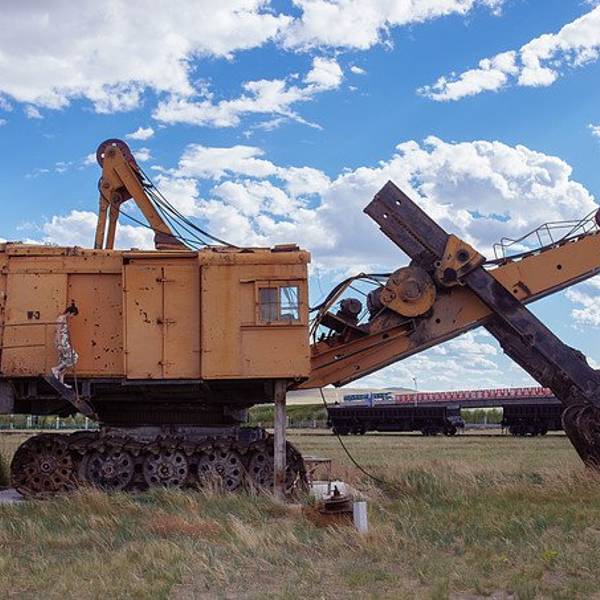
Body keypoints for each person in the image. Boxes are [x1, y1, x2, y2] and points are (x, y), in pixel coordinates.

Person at [51, 303, 79, 387]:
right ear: (69, 312)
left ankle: (61, 382)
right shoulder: (61, 318)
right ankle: (56, 369)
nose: (72, 317)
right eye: (73, 315)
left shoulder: (64, 319)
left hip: (64, 341)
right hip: (62, 342)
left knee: (63, 359)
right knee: (74, 357)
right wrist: (59, 343)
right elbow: (58, 331)